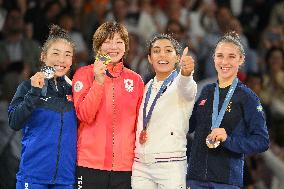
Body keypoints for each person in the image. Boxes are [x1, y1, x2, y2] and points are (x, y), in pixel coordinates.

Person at [187, 31, 269, 189]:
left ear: (241, 60)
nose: (224, 61)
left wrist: (229, 141)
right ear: (214, 59)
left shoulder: (248, 98)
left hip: (226, 181)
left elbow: (262, 142)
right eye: (220, 56)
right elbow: (188, 126)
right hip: (195, 178)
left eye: (231, 56)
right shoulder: (206, 91)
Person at [72, 21, 144, 189]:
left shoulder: (135, 80)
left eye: (119, 42)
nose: (114, 47)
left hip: (125, 167)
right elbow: (84, 115)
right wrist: (98, 81)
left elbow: (140, 123)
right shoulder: (83, 74)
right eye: (107, 41)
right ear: (98, 46)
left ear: (126, 47)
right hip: (89, 164)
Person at [8, 24, 77, 189]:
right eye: (55, 53)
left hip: (66, 180)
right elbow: (14, 122)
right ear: (43, 56)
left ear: (72, 60)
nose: (61, 60)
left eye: (67, 55)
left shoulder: (76, 90)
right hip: (33, 178)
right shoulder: (27, 87)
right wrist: (34, 93)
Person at [131, 34, 197, 189]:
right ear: (149, 58)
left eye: (168, 51)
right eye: (156, 51)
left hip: (170, 165)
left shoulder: (181, 84)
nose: (162, 55)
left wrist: (187, 73)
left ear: (177, 58)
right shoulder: (146, 86)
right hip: (141, 166)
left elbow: (187, 87)